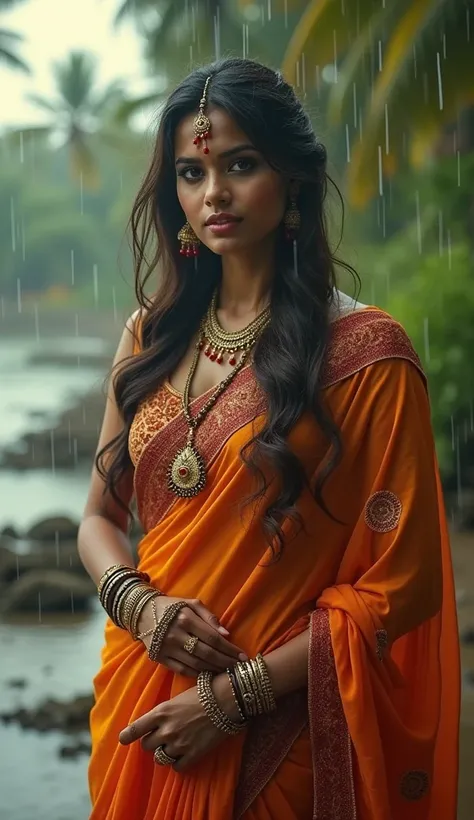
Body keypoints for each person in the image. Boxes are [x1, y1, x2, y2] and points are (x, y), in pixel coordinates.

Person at [78, 57, 460, 820]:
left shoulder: (364, 355)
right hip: (144, 709)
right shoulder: (149, 337)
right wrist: (144, 611)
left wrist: (232, 699)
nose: (213, 193)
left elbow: (405, 583)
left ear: (292, 178)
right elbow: (99, 520)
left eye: (240, 165)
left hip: (284, 733)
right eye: (191, 172)